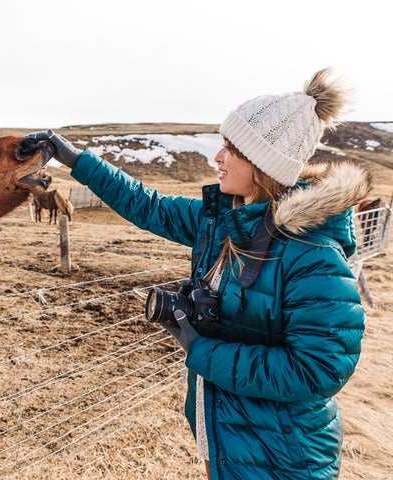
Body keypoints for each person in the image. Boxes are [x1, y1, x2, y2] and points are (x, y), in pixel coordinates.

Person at [26, 68, 370, 479]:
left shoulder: (312, 255)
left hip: (283, 456)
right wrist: (76, 160)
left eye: (231, 148)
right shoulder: (224, 221)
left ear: (265, 163)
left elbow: (318, 371)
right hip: (228, 436)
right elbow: (145, 205)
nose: (217, 158)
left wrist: (201, 349)